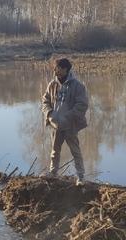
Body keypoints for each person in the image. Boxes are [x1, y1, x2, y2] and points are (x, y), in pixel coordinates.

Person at [40, 58, 88, 186]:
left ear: (65, 69)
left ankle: (81, 177)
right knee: (55, 151)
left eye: (57, 67)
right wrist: (50, 114)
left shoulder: (77, 86)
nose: (54, 70)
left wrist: (67, 116)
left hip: (70, 126)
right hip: (55, 125)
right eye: (54, 67)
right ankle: (53, 173)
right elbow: (45, 101)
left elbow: (82, 105)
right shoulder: (52, 85)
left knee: (75, 152)